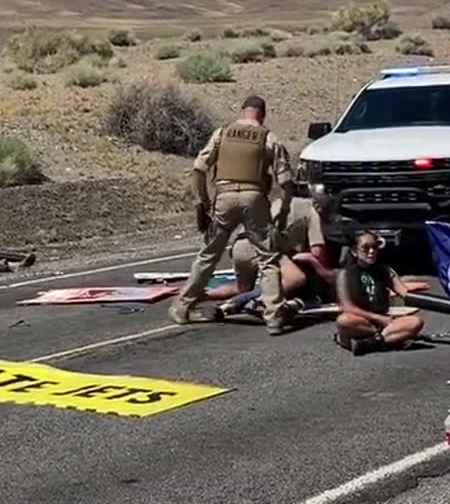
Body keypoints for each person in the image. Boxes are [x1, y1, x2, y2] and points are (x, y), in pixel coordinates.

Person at [168, 96, 295, 334]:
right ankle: (274, 317)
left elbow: (199, 168)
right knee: (268, 258)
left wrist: (202, 203)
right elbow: (286, 182)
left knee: (208, 255)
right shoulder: (268, 137)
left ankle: (182, 306)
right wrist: (284, 210)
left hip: (224, 198)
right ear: (262, 114)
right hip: (254, 198)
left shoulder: (222, 133)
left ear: (243, 111)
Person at [202, 183, 337, 318]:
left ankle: (202, 296)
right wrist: (320, 266)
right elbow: (317, 252)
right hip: (264, 247)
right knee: (296, 279)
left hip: (240, 246)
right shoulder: (311, 210)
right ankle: (255, 301)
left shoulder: (276, 203)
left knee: (241, 287)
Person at [333, 230, 426, 356]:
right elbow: (347, 307)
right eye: (365, 248)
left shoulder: (384, 270)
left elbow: (404, 292)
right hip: (362, 321)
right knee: (344, 321)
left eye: (375, 247)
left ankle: (368, 344)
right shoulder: (343, 274)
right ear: (354, 251)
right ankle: (392, 340)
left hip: (384, 321)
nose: (371, 252)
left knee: (415, 322)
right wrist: (377, 318)